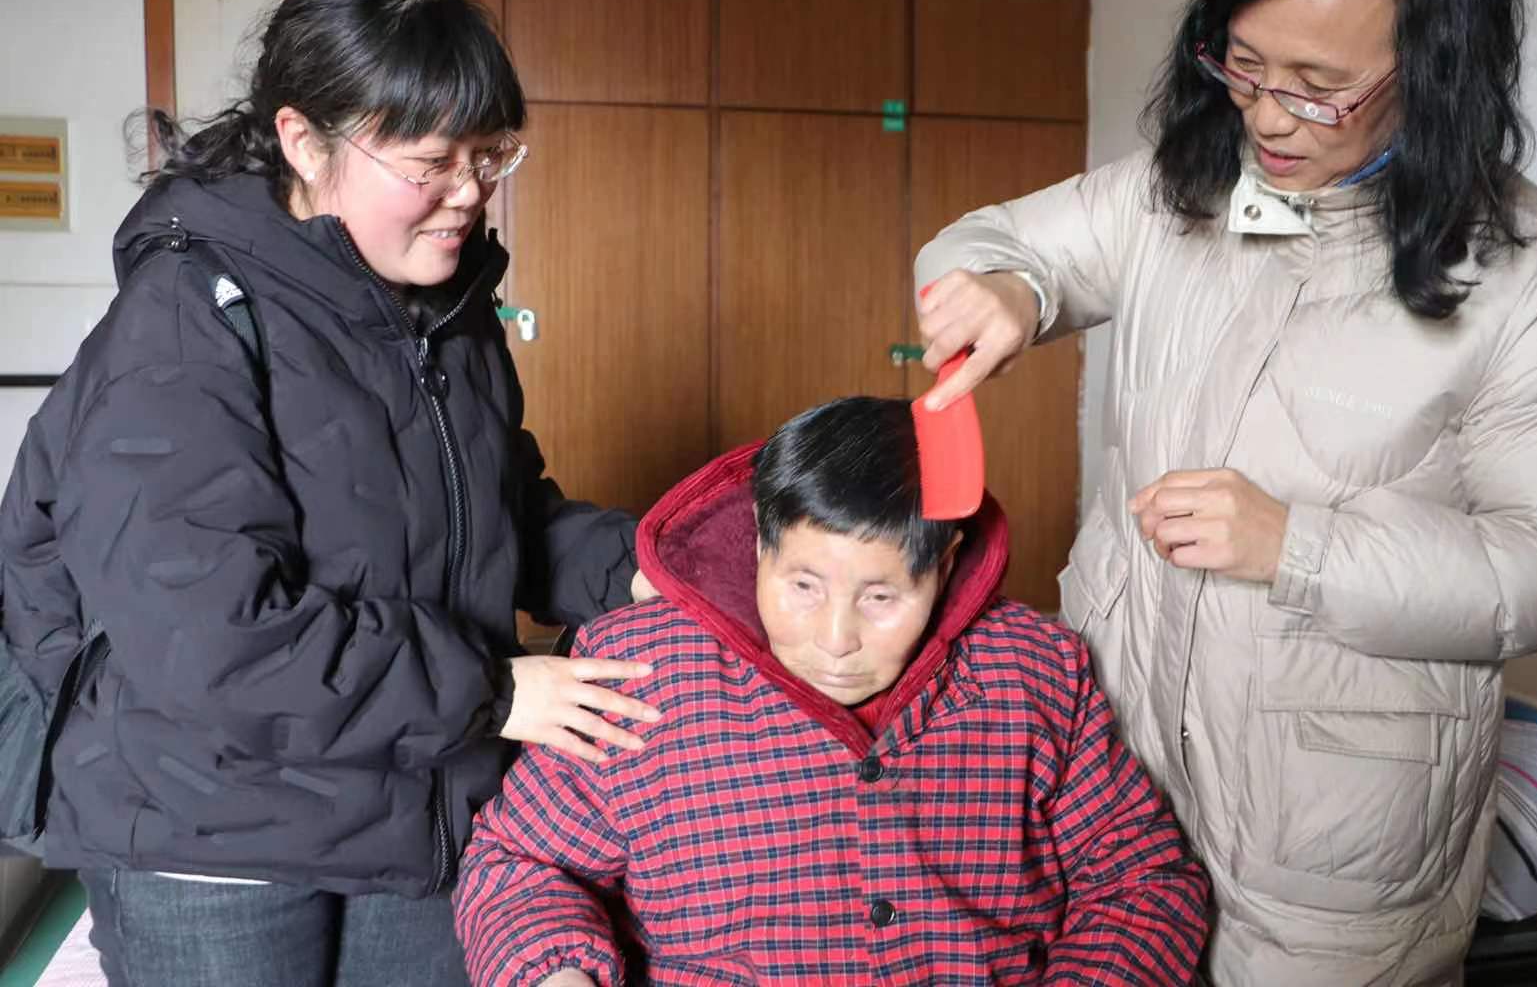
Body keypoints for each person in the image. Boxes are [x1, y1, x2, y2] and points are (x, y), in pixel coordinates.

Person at [911, 0, 1537, 983]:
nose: (1270, 118)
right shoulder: (1177, 192)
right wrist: (1008, 287)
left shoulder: (1530, 274)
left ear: (1436, 70)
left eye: (1319, 87)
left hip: (1337, 845)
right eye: (1244, 65)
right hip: (1111, 781)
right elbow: (993, 240)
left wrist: (1301, 547)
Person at [0, 0, 660, 987]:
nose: (468, 194)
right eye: (430, 163)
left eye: (490, 154)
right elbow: (209, 638)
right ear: (305, 140)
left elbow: (497, 521)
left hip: (412, 802)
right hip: (212, 835)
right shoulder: (185, 321)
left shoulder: (444, 309)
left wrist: (652, 566)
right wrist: (490, 692)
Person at [452, 396, 1210, 986]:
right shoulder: (642, 672)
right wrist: (555, 971)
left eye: (881, 598)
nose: (836, 638)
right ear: (760, 544)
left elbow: (1143, 882)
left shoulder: (1033, 672)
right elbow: (518, 862)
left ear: (945, 565)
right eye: (803, 587)